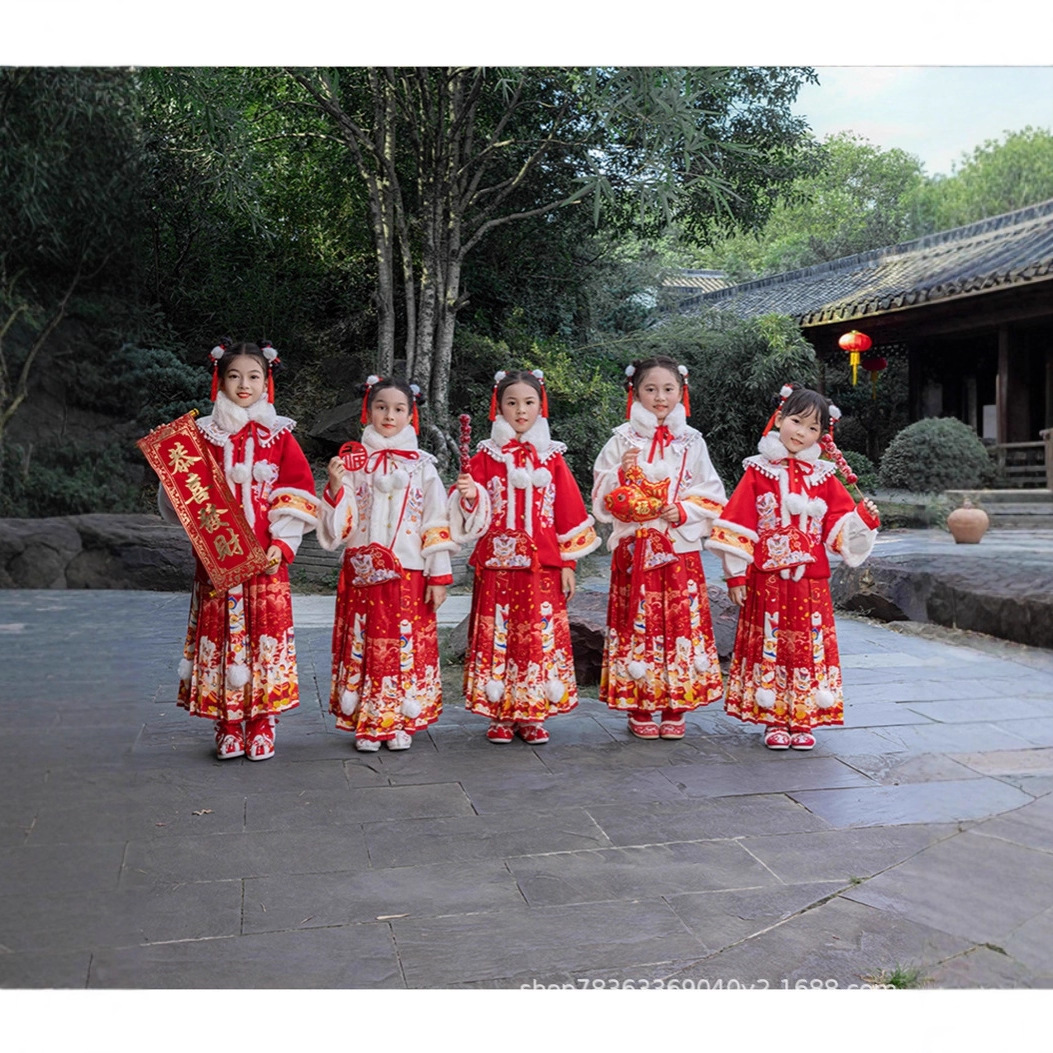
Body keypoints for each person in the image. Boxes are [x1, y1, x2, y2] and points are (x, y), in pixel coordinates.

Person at [160, 339, 319, 761]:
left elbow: (298, 491)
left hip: (266, 562)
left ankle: (263, 722)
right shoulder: (201, 437)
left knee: (264, 641)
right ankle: (227, 723)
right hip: (217, 561)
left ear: (267, 382)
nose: (244, 384)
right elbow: (183, 501)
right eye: (234, 376)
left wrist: (283, 543)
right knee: (222, 640)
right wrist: (170, 473)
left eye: (253, 376)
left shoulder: (280, 436)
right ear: (220, 380)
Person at [706, 383, 881, 751]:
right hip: (768, 579)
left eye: (813, 428)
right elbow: (738, 524)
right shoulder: (757, 471)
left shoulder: (824, 477)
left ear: (822, 435)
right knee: (772, 642)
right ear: (780, 418)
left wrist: (862, 519)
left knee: (806, 646)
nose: (801, 432)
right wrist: (736, 574)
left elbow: (838, 527)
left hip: (809, 582)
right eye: (796, 421)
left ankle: (803, 716)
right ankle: (773, 718)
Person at [451, 369, 600, 743]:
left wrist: (568, 563)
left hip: (542, 567)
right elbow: (473, 511)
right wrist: (469, 495)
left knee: (537, 637)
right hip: (497, 566)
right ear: (498, 406)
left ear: (541, 406)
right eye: (512, 402)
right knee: (499, 634)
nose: (521, 410)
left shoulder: (552, 458)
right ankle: (499, 712)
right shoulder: (485, 456)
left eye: (529, 402)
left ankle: (533, 711)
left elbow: (567, 513)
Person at [316, 376, 455, 752]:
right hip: (363, 572)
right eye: (381, 407)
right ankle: (368, 719)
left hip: (408, 573)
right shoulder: (354, 463)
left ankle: (400, 720)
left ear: (412, 416)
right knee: (366, 643)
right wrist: (333, 486)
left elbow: (435, 520)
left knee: (402, 645)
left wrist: (438, 575)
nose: (389, 415)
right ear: (368, 410)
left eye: (398, 409)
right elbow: (340, 523)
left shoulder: (423, 467)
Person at [592, 356, 727, 740]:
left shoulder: (693, 441)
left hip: (678, 547)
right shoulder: (620, 440)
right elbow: (601, 497)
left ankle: (676, 702)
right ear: (635, 393)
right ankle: (641, 703)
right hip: (635, 547)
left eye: (668, 389)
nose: (660, 397)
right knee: (639, 623)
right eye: (650, 389)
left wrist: (683, 510)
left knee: (679, 624)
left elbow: (713, 491)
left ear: (682, 392)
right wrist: (621, 472)